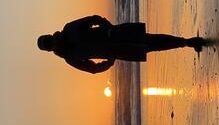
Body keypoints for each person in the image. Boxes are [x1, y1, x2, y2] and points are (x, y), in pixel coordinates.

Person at [37, 15, 207, 73]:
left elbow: (94, 19)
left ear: (49, 35)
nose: (51, 42)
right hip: (118, 51)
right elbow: (93, 69)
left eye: (48, 39)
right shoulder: (69, 57)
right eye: (48, 44)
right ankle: (186, 43)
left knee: (151, 39)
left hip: (116, 34)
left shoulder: (69, 29)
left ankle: (187, 41)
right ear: (49, 49)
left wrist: (108, 27)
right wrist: (109, 62)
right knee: (152, 47)